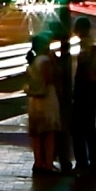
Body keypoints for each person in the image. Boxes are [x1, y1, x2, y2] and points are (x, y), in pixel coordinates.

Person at [67, 15, 96, 173]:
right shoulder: (93, 43)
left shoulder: (87, 45)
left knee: (79, 128)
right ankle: (93, 163)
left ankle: (85, 163)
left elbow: (86, 65)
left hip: (85, 88)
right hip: (91, 87)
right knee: (88, 127)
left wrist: (89, 73)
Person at [22, 33, 62, 174]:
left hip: (34, 99)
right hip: (46, 99)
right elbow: (50, 79)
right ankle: (48, 164)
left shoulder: (32, 61)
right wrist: (55, 64)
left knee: (37, 134)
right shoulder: (45, 60)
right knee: (49, 132)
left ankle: (38, 162)